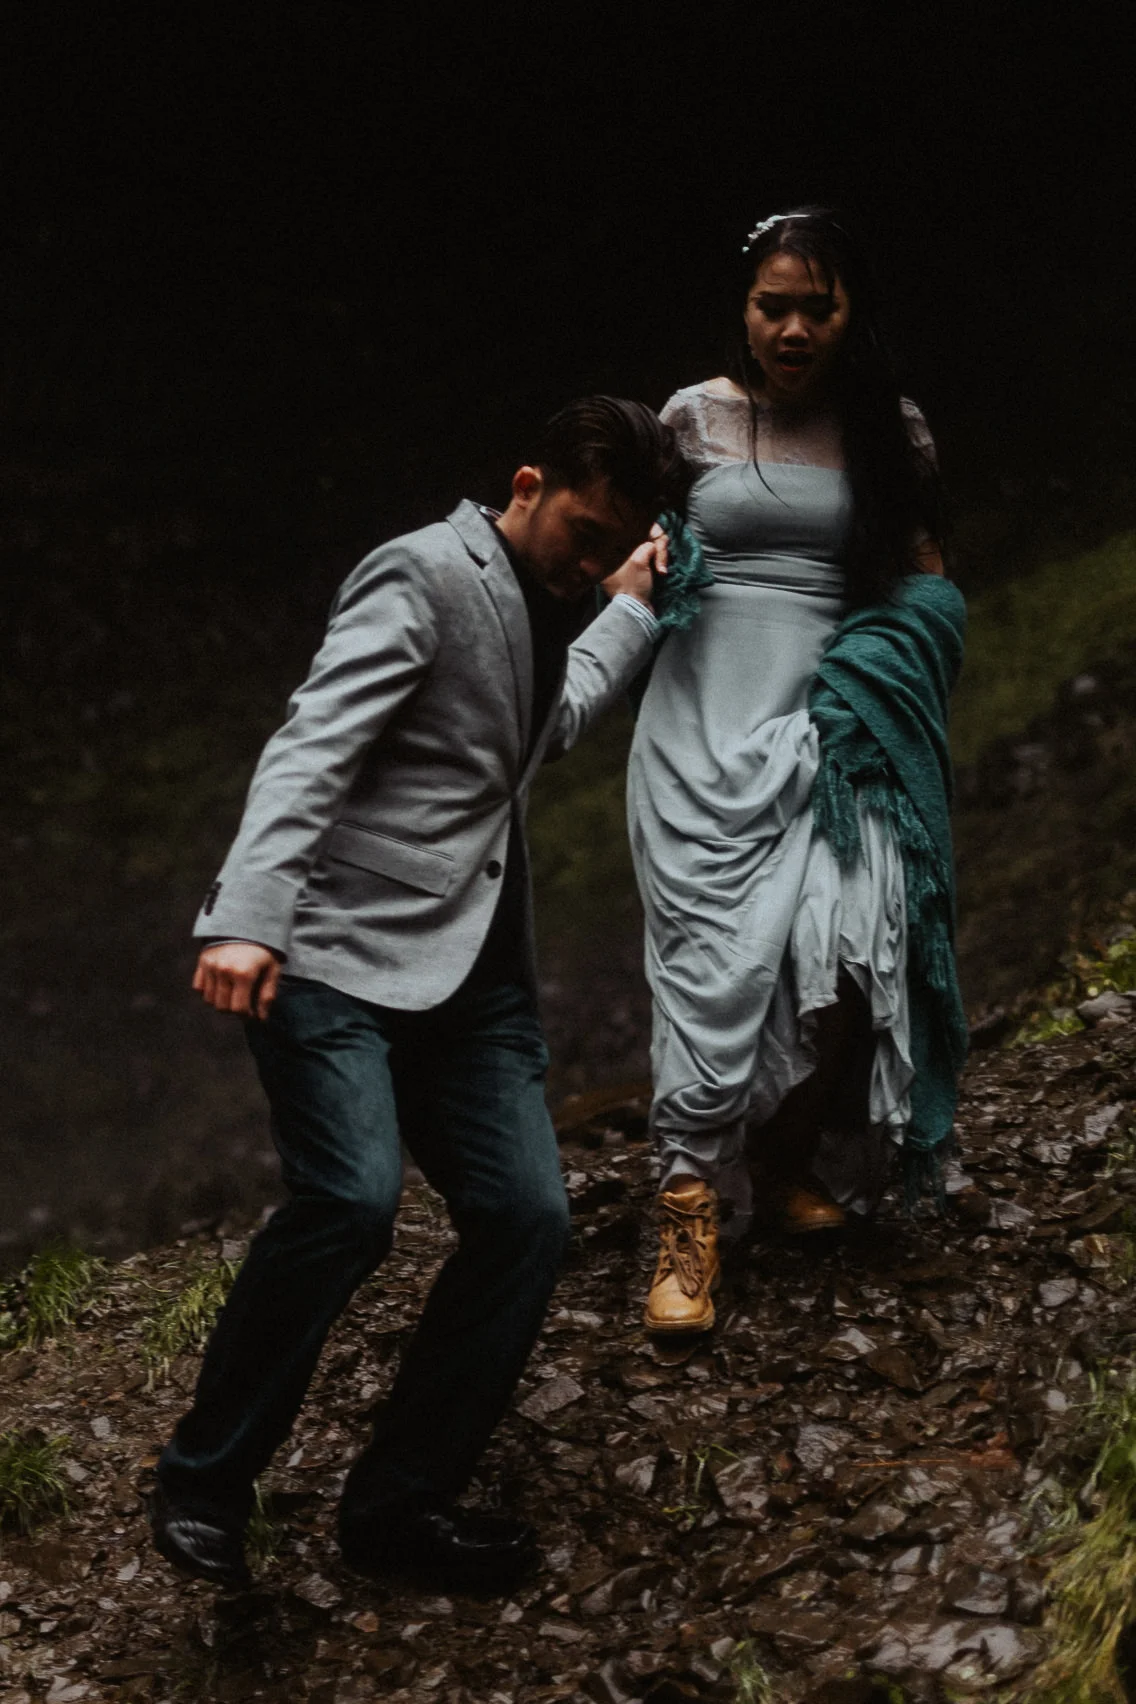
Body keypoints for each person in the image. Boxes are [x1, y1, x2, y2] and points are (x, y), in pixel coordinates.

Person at [149, 397, 687, 1590]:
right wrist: (246, 917)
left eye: (614, 547)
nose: (589, 562)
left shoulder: (567, 600)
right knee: (350, 1197)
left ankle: (396, 1513)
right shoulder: (424, 572)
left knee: (528, 1220)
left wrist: (631, 612)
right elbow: (315, 740)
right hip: (331, 951)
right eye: (581, 535)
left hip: (473, 976)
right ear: (528, 481)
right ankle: (203, 1482)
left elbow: (537, 730)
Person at [630, 208, 967, 1335]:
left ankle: (776, 1165)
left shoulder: (888, 433)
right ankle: (686, 1220)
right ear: (741, 306)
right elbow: (635, 554)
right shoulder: (691, 421)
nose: (789, 327)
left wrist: (892, 666)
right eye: (771, 304)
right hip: (697, 730)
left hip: (834, 727)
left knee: (850, 941)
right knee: (712, 967)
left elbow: (924, 583)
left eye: (813, 307)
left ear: (848, 313)